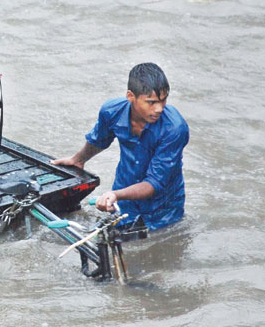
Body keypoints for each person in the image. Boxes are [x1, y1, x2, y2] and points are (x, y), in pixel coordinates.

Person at [51, 63, 189, 230]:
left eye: (163, 100)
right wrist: (78, 160)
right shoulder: (112, 112)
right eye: (151, 102)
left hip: (163, 211)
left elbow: (155, 183)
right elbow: (99, 140)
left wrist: (115, 194)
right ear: (131, 96)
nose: (159, 108)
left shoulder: (174, 128)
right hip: (124, 199)